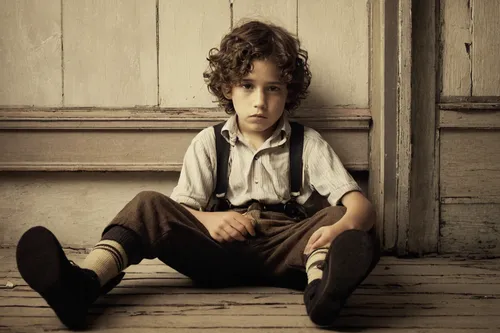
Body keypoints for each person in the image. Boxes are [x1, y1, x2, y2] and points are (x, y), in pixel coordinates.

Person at [16, 20, 379, 330]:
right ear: (227, 88)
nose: (260, 101)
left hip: (287, 251)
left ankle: (322, 294)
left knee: (337, 217)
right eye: (248, 86)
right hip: (217, 253)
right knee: (148, 203)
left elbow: (361, 207)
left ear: (288, 92)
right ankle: (83, 285)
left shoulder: (308, 144)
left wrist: (336, 229)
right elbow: (176, 214)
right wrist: (209, 219)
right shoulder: (209, 143)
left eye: (273, 89)